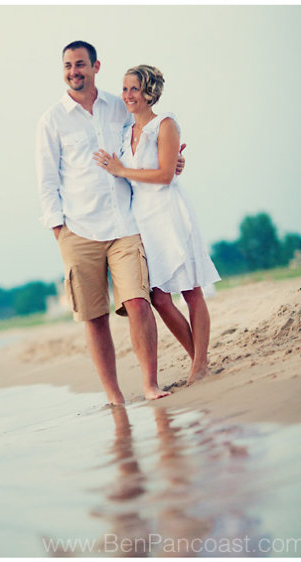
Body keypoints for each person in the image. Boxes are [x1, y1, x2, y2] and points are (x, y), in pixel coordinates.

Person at [36, 41, 184, 404]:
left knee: (138, 302)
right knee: (95, 317)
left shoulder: (120, 107)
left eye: (81, 64)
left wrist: (171, 164)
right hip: (78, 231)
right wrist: (59, 231)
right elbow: (47, 181)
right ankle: (114, 396)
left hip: (126, 224)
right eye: (68, 66)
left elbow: (147, 141)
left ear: (96, 66)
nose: (74, 72)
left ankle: (150, 384)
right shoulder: (52, 120)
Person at [93, 65, 220, 385]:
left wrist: (121, 171)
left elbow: (165, 175)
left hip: (170, 213)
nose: (127, 95)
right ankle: (199, 362)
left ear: (149, 92)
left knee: (192, 291)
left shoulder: (165, 125)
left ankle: (200, 365)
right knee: (160, 298)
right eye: (124, 89)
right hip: (144, 221)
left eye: (134, 89)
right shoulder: (124, 132)